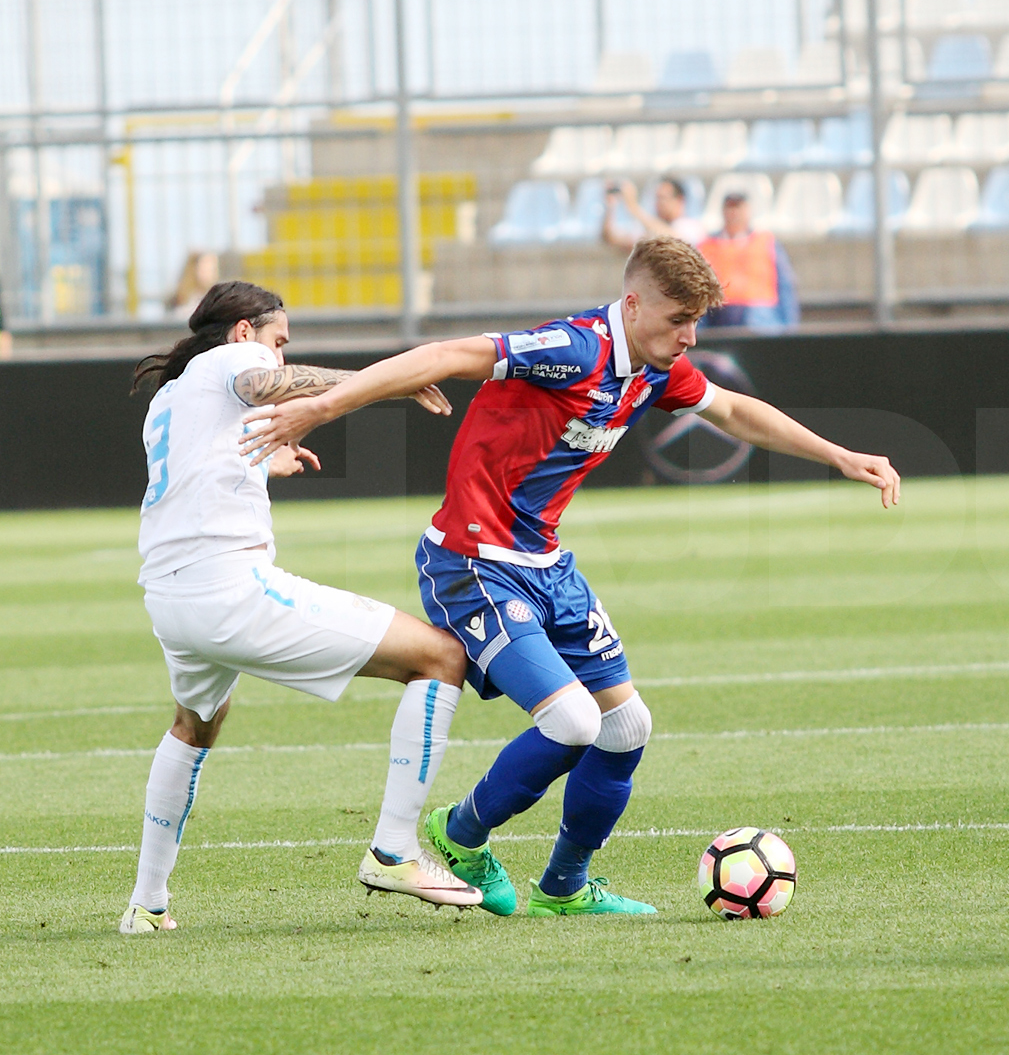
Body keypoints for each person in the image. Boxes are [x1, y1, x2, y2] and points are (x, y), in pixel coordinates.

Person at [238, 235, 900, 918]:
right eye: (679, 320)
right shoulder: (572, 349)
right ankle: (460, 835)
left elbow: (731, 410)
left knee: (626, 728)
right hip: (472, 562)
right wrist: (321, 406)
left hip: (547, 564)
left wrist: (838, 455)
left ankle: (565, 886)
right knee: (574, 721)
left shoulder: (654, 369)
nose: (690, 337)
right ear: (634, 303)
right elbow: (445, 356)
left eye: (697, 321)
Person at [121, 281, 482, 934]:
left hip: (171, 599)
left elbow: (205, 465)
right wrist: (388, 381)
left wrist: (261, 465)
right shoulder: (230, 360)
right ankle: (394, 851)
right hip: (227, 590)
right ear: (241, 331)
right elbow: (262, 387)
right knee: (441, 657)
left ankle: (146, 907)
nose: (281, 357)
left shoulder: (171, 398)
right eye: (278, 342)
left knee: (193, 727)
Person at [697, 192, 799, 332]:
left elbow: (785, 285)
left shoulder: (766, 242)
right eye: (730, 208)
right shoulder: (707, 245)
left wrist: (789, 326)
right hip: (719, 314)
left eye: (738, 207)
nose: (734, 213)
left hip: (759, 313)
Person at [602, 177, 706, 250]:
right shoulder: (652, 229)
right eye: (657, 198)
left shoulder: (692, 227)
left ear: (679, 200)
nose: (658, 203)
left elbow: (674, 241)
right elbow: (611, 239)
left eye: (663, 198)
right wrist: (611, 206)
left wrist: (634, 208)